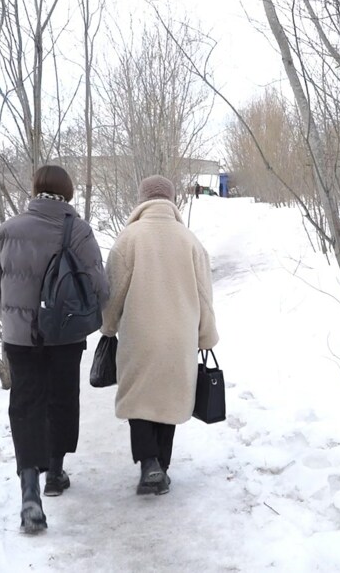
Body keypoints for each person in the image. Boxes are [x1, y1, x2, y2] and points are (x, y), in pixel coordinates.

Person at [0, 164, 108, 533]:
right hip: (66, 335)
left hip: (20, 337)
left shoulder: (7, 230)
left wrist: (18, 314)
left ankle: (29, 492)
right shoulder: (79, 231)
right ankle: (54, 472)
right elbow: (101, 288)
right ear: (68, 192)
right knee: (62, 399)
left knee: (25, 406)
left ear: (35, 190)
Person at [100, 175, 219, 496]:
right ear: (171, 201)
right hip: (180, 337)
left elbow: (114, 292)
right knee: (168, 399)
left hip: (139, 335)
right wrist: (206, 336)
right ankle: (161, 468)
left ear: (142, 201)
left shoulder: (129, 239)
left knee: (140, 399)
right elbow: (204, 295)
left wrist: (108, 327)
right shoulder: (190, 240)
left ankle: (148, 463)